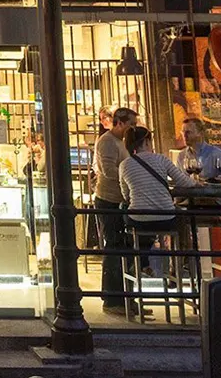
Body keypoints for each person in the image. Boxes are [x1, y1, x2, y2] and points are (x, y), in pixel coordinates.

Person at [119, 126, 199, 288]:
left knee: (126, 210)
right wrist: (198, 182)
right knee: (180, 217)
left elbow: (126, 195)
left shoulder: (124, 165)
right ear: (147, 142)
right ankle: (177, 265)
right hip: (166, 219)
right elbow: (185, 183)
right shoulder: (161, 159)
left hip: (139, 220)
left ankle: (139, 261)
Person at [93, 107, 138, 314]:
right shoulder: (107, 141)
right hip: (109, 200)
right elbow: (106, 169)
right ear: (119, 122)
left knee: (123, 247)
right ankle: (112, 300)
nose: (133, 128)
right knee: (113, 247)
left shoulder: (121, 142)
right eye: (131, 124)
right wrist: (129, 176)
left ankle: (124, 298)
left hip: (121, 199)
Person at [175, 120, 221, 184]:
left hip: (211, 196)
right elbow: (177, 180)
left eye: (188, 132)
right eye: (183, 132)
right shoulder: (181, 156)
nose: (184, 136)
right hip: (189, 196)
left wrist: (214, 180)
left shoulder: (216, 154)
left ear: (200, 133)